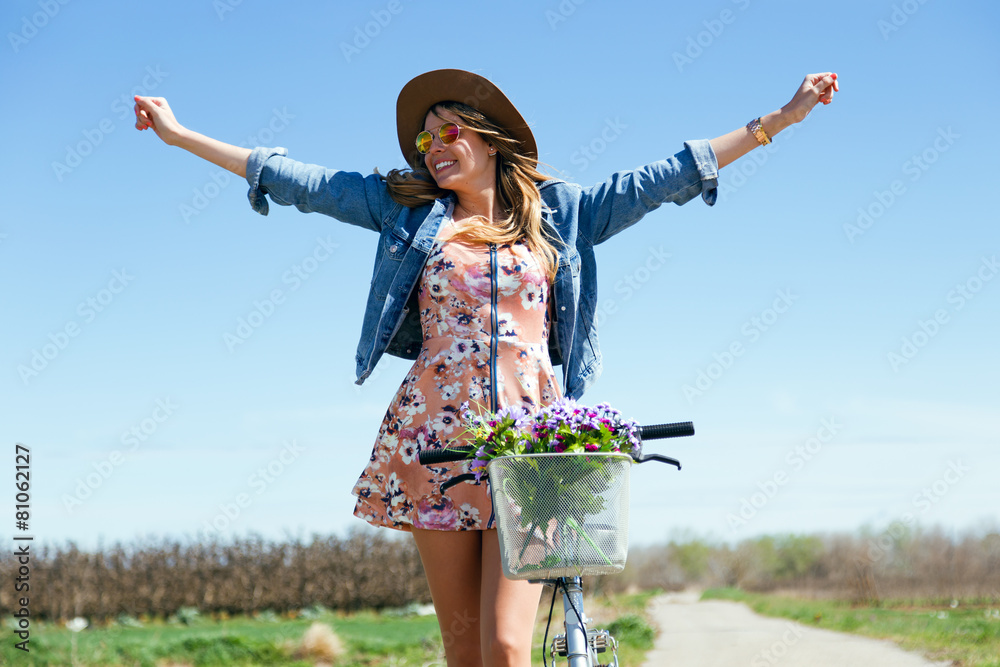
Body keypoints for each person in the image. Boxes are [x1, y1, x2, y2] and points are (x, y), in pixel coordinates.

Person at [134, 68, 838, 667]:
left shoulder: (563, 213)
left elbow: (666, 176)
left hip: (531, 446)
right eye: (424, 139)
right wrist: (181, 135)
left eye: (449, 132)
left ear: (488, 138)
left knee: (506, 647)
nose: (434, 147)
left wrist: (780, 118)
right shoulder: (407, 214)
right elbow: (303, 181)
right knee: (466, 653)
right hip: (434, 440)